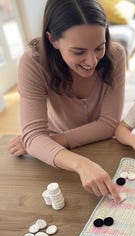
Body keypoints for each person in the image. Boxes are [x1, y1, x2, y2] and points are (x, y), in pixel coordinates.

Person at [7, 0, 127, 202]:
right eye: (79, 51)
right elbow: (33, 137)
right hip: (60, 157)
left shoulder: (116, 55)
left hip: (85, 144)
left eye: (99, 47)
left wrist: (50, 142)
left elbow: (109, 124)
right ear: (52, 40)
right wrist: (81, 164)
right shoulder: (33, 62)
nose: (92, 62)